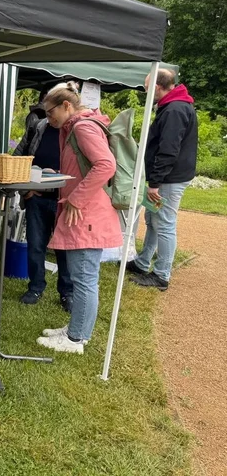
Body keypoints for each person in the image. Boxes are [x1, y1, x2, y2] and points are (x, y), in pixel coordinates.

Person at [35, 82, 121, 355]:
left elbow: (106, 165)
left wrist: (76, 198)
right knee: (81, 275)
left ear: (66, 106)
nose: (49, 119)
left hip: (86, 214)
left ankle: (75, 339)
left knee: (83, 278)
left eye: (50, 113)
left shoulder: (82, 127)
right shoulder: (77, 127)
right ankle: (77, 329)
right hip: (85, 213)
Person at [127, 69, 198, 291]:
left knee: (165, 223)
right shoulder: (174, 105)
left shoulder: (174, 109)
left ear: (157, 87)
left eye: (147, 88)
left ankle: (161, 274)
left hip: (169, 178)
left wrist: (155, 183)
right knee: (153, 219)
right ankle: (142, 262)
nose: (146, 92)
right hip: (168, 176)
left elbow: (168, 150)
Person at [13, 115, 73, 311]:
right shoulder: (38, 127)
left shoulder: (76, 129)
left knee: (65, 249)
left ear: (65, 106)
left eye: (51, 110)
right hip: (37, 198)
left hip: (64, 200)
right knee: (36, 245)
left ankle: (67, 293)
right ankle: (35, 288)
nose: (49, 114)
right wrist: (26, 191)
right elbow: (17, 159)